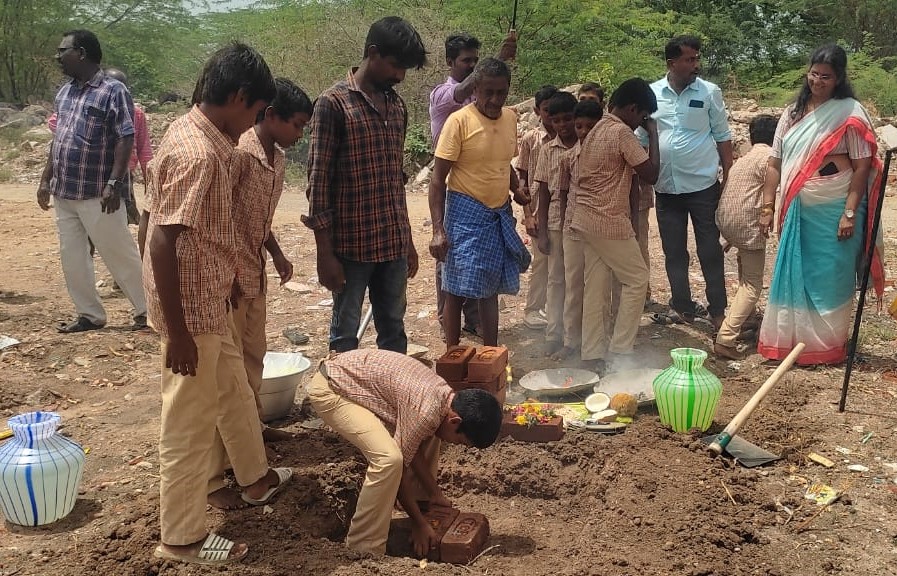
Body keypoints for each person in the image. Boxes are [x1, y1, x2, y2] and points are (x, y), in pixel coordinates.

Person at [144, 43, 291, 566]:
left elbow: (201, 231)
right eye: (254, 112)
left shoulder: (206, 139)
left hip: (210, 298)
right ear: (237, 97)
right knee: (187, 423)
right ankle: (181, 537)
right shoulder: (198, 153)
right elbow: (161, 240)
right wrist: (179, 332)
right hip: (191, 314)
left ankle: (254, 480)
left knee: (233, 393)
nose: (254, 122)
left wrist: (227, 274)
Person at [303, 16, 427, 354]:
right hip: (350, 249)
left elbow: (394, 183)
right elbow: (318, 183)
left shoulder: (397, 107)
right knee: (345, 334)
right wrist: (324, 254)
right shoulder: (333, 104)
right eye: (395, 65)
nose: (399, 76)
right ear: (372, 53)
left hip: (392, 245)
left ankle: (391, 396)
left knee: (393, 330)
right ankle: (347, 401)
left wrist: (408, 242)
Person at [307, 349, 503, 556]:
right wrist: (419, 524)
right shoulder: (426, 412)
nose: (455, 444)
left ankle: (420, 504)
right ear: (455, 421)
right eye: (460, 441)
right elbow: (398, 467)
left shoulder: (444, 398)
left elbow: (412, 444)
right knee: (389, 460)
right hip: (332, 388)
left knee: (428, 438)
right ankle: (363, 548)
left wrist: (435, 494)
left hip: (356, 381)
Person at [758, 44, 883, 366]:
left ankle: (826, 348)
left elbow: (862, 168)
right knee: (793, 273)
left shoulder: (850, 113)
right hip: (798, 206)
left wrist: (849, 213)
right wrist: (767, 206)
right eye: (814, 74)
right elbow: (775, 162)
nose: (818, 81)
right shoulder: (792, 113)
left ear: (839, 78)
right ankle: (789, 344)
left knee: (830, 276)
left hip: (835, 207)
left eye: (825, 76)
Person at [36, 29, 147, 333]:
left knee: (119, 253)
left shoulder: (113, 91)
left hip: (98, 191)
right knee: (72, 257)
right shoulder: (65, 92)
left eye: (63, 51)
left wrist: (114, 182)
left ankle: (147, 310)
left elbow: (126, 138)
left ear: (81, 53)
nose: (58, 57)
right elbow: (59, 139)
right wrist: (46, 179)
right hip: (65, 190)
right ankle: (89, 315)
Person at [230, 78, 313, 440]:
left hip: (255, 271)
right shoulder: (239, 154)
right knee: (231, 365)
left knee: (254, 356)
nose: (298, 134)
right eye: (295, 125)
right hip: (230, 276)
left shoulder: (276, 160)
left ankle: (254, 428)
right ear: (271, 115)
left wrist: (277, 253)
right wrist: (227, 272)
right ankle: (235, 442)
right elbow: (224, 217)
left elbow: (258, 219)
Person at [429, 58, 532, 348]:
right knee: (455, 288)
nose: (495, 99)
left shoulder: (510, 118)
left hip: (498, 211)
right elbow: (437, 180)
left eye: (502, 92)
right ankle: (452, 353)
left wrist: (517, 189)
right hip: (465, 214)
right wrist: (438, 229)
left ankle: (490, 352)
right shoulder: (458, 122)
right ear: (475, 89)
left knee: (490, 288)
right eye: (488, 92)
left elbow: (503, 163)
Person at [643, 35, 733, 329]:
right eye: (689, 59)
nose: (696, 64)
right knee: (674, 252)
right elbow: (640, 137)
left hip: (703, 187)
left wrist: (728, 177)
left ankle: (718, 311)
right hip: (667, 189)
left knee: (709, 250)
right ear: (672, 63)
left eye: (697, 58)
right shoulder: (652, 93)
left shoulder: (709, 92)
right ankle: (682, 307)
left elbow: (721, 135)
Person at [572, 79, 659, 374]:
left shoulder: (596, 127)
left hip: (584, 217)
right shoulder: (622, 132)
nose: (641, 123)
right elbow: (650, 175)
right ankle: (621, 350)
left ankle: (591, 352)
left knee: (595, 285)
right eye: (642, 117)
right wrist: (654, 135)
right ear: (634, 109)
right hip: (607, 220)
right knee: (637, 279)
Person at [713, 115, 777, 360]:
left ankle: (746, 320)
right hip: (746, 223)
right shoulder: (771, 157)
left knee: (744, 271)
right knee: (752, 285)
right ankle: (726, 338)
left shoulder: (745, 158)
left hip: (728, 221)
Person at [555, 99, 603, 361]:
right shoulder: (568, 158)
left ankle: (596, 344)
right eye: (580, 127)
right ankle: (571, 341)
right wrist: (565, 225)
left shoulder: (609, 155)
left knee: (598, 290)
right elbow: (562, 196)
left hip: (600, 231)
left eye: (590, 127)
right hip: (573, 230)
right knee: (573, 287)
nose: (584, 132)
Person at [533, 91, 578, 356]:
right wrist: (542, 232)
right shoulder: (547, 150)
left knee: (575, 282)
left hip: (580, 222)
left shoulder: (586, 146)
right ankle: (553, 334)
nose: (562, 125)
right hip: (554, 223)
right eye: (557, 120)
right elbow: (543, 192)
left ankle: (572, 339)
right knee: (555, 280)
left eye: (567, 119)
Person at [516, 85, 558, 330]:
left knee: (560, 263)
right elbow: (523, 177)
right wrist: (528, 214)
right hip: (538, 207)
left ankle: (555, 311)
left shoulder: (568, 135)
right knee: (541, 262)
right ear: (537, 111)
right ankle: (533, 309)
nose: (552, 116)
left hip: (561, 209)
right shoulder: (532, 138)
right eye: (546, 110)